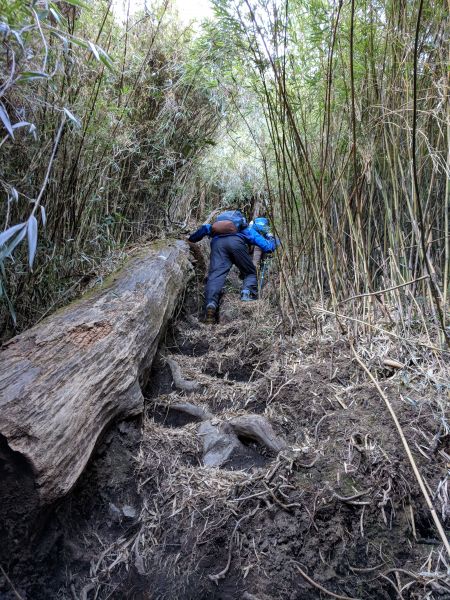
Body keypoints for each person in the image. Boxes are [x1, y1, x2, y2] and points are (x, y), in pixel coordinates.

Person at [188, 210, 279, 324]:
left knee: (215, 276)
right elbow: (267, 247)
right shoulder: (245, 230)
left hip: (218, 245)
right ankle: (247, 293)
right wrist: (273, 240)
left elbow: (199, 233)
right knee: (249, 272)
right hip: (237, 244)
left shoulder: (214, 228)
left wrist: (190, 238)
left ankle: (211, 304)